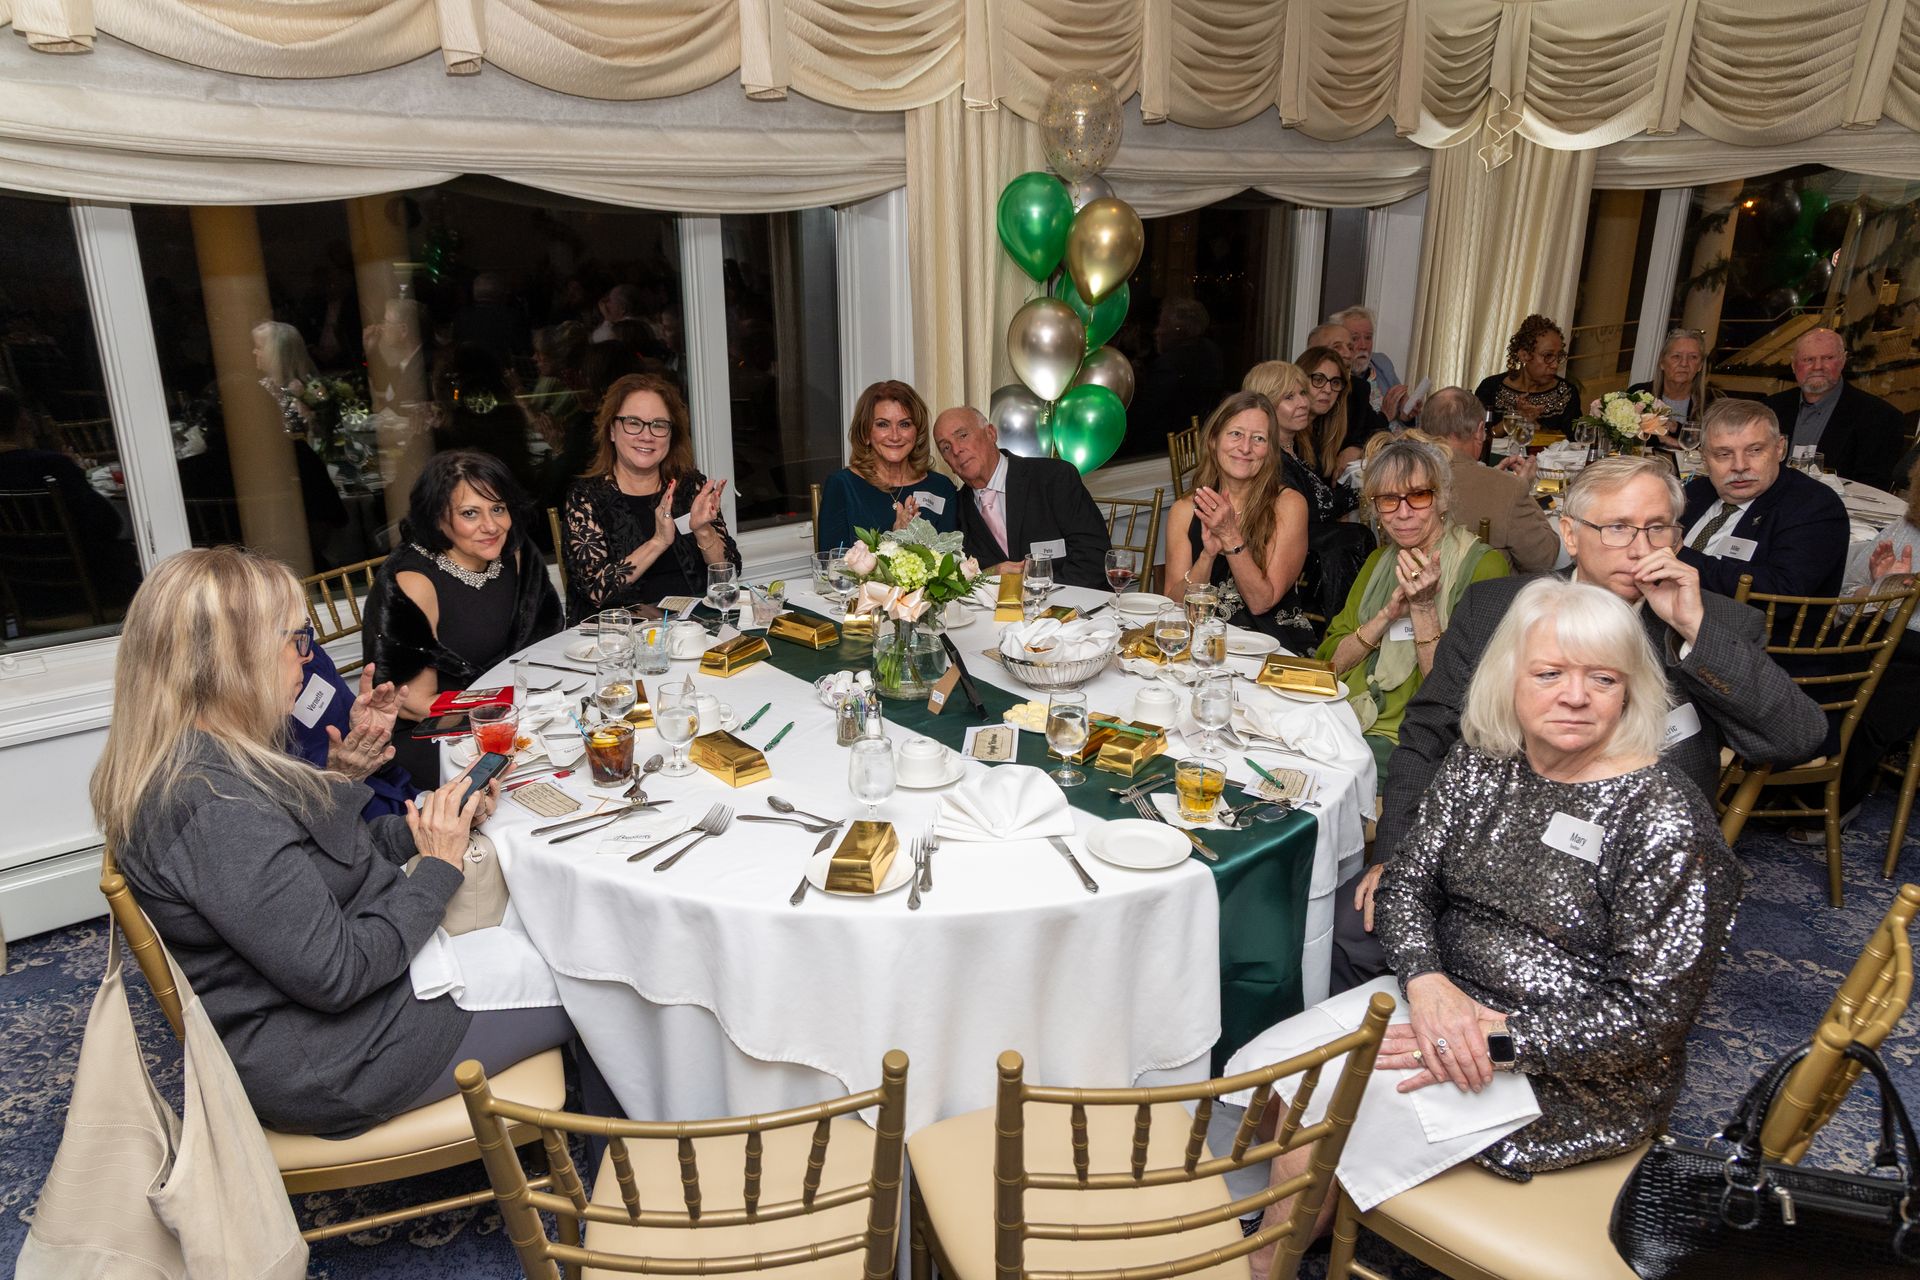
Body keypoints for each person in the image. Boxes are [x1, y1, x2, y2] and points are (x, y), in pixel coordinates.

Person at [1246, 578, 1743, 1272]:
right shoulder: (1482, 761)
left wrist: (1499, 1042)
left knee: (1324, 1104)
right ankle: (1312, 1214)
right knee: (1267, 1068)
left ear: (1629, 690)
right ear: (1510, 677)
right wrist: (1427, 984)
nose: (1575, 696)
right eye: (1549, 673)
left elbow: (1652, 1018)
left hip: (1576, 1070)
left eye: (1602, 677)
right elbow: (1407, 884)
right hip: (1443, 999)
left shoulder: (1663, 817)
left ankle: (1266, 1261)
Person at [94, 547, 578, 1138]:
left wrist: (420, 825)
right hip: (342, 1057)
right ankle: (628, 1178)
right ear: (232, 658)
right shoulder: (212, 806)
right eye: (296, 638)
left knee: (569, 933)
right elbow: (337, 974)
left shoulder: (211, 756)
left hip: (353, 1010)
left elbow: (310, 864)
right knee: (605, 985)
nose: (307, 657)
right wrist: (438, 863)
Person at [1339, 455, 1824, 992]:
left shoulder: (1713, 624)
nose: (1640, 549)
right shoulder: (1496, 608)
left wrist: (1692, 627)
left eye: (1656, 528)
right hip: (1474, 860)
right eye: (1616, 528)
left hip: (1612, 894)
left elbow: (1798, 738)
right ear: (1570, 533)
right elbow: (1427, 735)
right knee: (1353, 931)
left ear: (1678, 536)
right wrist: (1395, 852)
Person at [364, 450, 562, 784]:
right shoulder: (414, 583)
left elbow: (544, 643)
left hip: (508, 712)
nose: (492, 526)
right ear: (437, 517)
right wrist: (504, 714)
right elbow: (414, 705)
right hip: (432, 735)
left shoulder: (514, 552)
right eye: (470, 513)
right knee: (539, 775)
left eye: (498, 508)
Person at [1319, 434, 1510, 778]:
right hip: (1345, 717)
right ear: (1375, 508)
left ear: (1443, 499)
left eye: (1418, 496)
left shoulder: (1484, 567)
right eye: (1388, 499)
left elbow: (1459, 697)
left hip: (1413, 739)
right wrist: (1385, 617)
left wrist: (1423, 608)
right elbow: (1328, 665)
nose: (1403, 513)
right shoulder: (1378, 562)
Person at [559, 373, 739, 621]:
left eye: (659, 425)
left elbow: (730, 573)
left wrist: (703, 530)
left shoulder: (689, 486)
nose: (647, 435)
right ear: (612, 430)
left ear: (671, 434)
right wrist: (658, 542)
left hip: (697, 626)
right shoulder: (587, 498)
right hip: (623, 638)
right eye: (633, 422)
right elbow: (595, 591)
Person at [1806, 453, 1920, 842]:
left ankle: (1835, 799)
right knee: (1817, 669)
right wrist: (1878, 588)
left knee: (1875, 700)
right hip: (1872, 629)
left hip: (1913, 652)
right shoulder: (1906, 526)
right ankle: (1793, 777)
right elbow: (1848, 593)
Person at [1162, 390, 1313, 650]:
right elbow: (1173, 605)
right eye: (1236, 434)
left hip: (1273, 645)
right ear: (1213, 440)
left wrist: (1230, 536)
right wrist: (1207, 557)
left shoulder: (1288, 505)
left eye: (1258, 439)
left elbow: (1261, 601)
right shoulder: (1184, 510)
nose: (1245, 448)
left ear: (1269, 450)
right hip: (1202, 645)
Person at [1678, 398, 1847, 601]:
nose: (1740, 466)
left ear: (1779, 449)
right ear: (1704, 458)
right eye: (1724, 454)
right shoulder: (1696, 492)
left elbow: (1783, 589)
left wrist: (1679, 556)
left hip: (1743, 629)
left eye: (1755, 450)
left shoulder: (1813, 506)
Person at [1244, 360, 1375, 621]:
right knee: (1358, 538)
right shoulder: (1270, 459)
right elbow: (1315, 512)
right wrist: (1365, 492)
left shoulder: (1296, 445)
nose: (1304, 403)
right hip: (1292, 558)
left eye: (1303, 393)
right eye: (1289, 397)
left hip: (1311, 540)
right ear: (1266, 406)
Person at [934, 406, 1112, 590]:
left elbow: (1093, 558)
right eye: (946, 447)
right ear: (948, 464)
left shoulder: (1054, 478)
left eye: (962, 435)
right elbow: (952, 582)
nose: (956, 450)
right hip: (996, 615)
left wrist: (1034, 594)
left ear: (991, 433)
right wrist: (989, 576)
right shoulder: (955, 509)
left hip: (1074, 607)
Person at [0, 384, 140, 615]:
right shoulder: (51, 465)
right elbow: (110, 524)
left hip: (23, 597)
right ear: (20, 420)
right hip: (88, 591)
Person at [1421, 386, 1562, 572]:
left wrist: (1492, 476)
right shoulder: (1508, 489)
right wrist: (1519, 487)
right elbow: (1544, 557)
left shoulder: (1403, 476)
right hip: (1483, 597)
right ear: (1480, 431)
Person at [815, 379, 958, 552]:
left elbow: (952, 564)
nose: (895, 436)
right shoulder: (842, 486)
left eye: (904, 424)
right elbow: (834, 567)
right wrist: (894, 539)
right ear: (866, 433)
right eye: (883, 424)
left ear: (917, 432)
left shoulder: (941, 487)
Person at [1761, 327, 1906, 491]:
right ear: (1794, 365)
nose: (1818, 366)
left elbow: (1872, 488)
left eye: (1828, 358)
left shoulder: (1880, 417)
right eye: (1808, 359)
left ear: (1843, 361)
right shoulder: (1769, 409)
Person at [284, 643, 414, 821]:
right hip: (341, 821)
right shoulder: (242, 729)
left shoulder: (310, 655)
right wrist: (341, 778)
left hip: (391, 788)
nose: (309, 655)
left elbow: (369, 750)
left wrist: (375, 734)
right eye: (285, 635)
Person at [1474, 314, 1581, 443]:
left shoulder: (1566, 393)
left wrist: (1535, 426)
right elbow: (1476, 439)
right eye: (1548, 356)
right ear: (1524, 355)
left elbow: (1576, 443)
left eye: (1558, 356)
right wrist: (1513, 419)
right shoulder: (1491, 388)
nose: (1555, 364)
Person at [1292, 345, 1367, 495]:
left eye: (1335, 383)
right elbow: (1315, 506)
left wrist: (1357, 448)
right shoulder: (1288, 433)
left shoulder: (1323, 427)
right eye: (1318, 379)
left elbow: (1378, 432)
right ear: (1299, 381)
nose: (1328, 390)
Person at [1305, 321, 1388, 456]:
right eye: (1337, 347)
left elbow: (1381, 433)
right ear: (1312, 353)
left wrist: (1357, 448)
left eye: (1350, 348)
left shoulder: (1358, 389)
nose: (1348, 355)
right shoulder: (1294, 392)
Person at [1331, 305, 1411, 422]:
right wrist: (1385, 416)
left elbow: (1401, 410)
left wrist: (1407, 414)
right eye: (1354, 338)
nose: (1363, 345)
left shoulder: (1382, 363)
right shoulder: (1334, 378)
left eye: (1368, 337)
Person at [1627, 328, 1720, 427]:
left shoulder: (1713, 402)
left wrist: (1676, 433)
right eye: (1676, 356)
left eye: (1693, 357)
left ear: (1700, 366)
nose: (1684, 364)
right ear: (1662, 362)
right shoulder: (1638, 394)